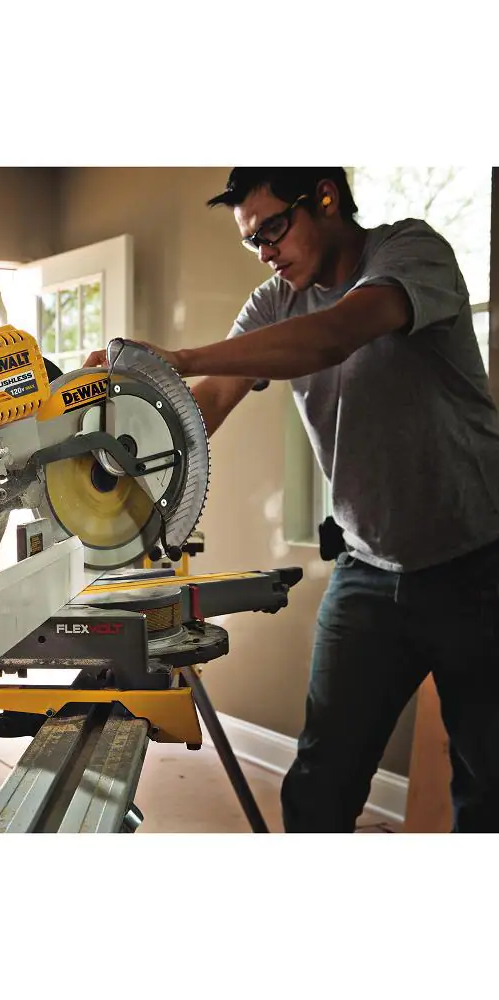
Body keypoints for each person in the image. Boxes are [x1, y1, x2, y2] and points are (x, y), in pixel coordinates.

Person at [85, 166, 499, 833]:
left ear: (326, 198)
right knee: (319, 784)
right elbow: (204, 407)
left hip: (476, 566)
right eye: (252, 240)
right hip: (367, 572)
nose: (264, 252)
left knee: (488, 782)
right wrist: (115, 439)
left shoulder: (410, 252)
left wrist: (179, 356)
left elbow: (334, 335)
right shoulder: (274, 301)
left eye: (272, 229)